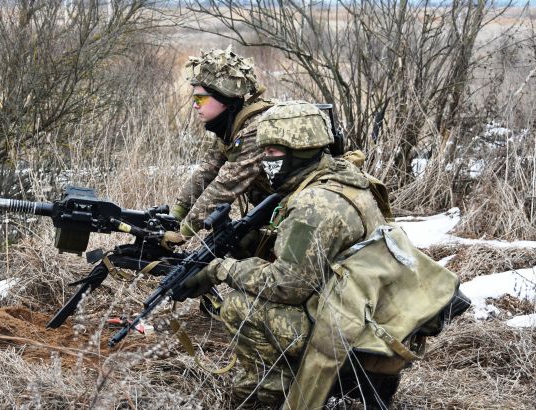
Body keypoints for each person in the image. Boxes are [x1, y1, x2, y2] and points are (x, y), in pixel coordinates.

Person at [185, 101, 461, 409]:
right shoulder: (343, 176)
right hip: (383, 320)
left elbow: (286, 285)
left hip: (354, 334)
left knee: (240, 307)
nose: (265, 162)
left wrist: (220, 270)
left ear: (299, 151)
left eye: (273, 153)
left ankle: (267, 393)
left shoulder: (314, 204)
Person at [167, 46, 274, 243]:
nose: (195, 105)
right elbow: (208, 170)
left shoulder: (255, 130)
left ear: (224, 99)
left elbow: (225, 186)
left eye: (201, 99)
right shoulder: (232, 124)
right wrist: (174, 215)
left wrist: (183, 232)